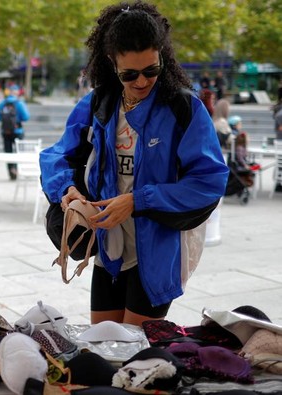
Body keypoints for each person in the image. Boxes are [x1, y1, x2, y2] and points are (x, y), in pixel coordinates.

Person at [39, 1, 228, 326]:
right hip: (106, 252)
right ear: (112, 63)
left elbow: (209, 181)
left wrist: (138, 201)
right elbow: (56, 156)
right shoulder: (98, 103)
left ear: (162, 59)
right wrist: (66, 189)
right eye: (129, 74)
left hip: (156, 253)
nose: (142, 81)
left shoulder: (184, 109)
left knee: (136, 355)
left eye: (151, 70)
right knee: (104, 346)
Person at [0, 86, 30, 180]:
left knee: (8, 152)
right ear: (17, 92)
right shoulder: (19, 103)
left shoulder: (3, 103)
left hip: (5, 131)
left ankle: (11, 172)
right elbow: (26, 117)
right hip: (17, 131)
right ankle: (17, 169)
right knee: (18, 151)